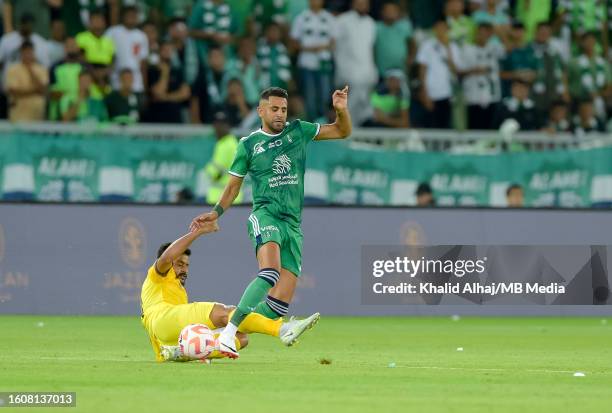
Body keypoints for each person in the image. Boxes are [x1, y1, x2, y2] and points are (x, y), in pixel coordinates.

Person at [189, 85, 352, 358]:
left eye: (284, 110)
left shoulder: (298, 131)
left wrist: (341, 110)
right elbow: (232, 188)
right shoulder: (248, 145)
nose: (280, 114)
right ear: (261, 111)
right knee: (270, 272)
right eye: (274, 109)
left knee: (277, 306)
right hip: (266, 215)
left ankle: (217, 335)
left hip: (293, 224)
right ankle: (229, 332)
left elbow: (341, 131)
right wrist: (216, 213)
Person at [141, 223, 318, 362]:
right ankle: (282, 329)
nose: (184, 269)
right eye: (180, 264)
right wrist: (197, 232)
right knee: (225, 313)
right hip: (164, 318)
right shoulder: (158, 275)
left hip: (165, 339)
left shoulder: (174, 289)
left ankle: (182, 352)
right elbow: (166, 258)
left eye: (187, 265)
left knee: (240, 337)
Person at [291, 0, 336, 121]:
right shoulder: (301, 18)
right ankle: (312, 126)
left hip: (324, 64)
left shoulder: (329, 18)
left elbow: (334, 42)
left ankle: (323, 124)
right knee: (309, 97)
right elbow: (294, 43)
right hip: (306, 63)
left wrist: (323, 48)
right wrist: (311, 49)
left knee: (325, 96)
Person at [105, 6, 148, 93]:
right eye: (129, 15)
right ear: (123, 16)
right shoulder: (113, 32)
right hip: (116, 80)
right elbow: (105, 56)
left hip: (136, 82)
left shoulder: (141, 35)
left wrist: (145, 84)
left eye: (134, 16)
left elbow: (143, 63)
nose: (131, 18)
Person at [204, 111, 243, 204]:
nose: (218, 127)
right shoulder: (232, 142)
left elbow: (214, 173)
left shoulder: (226, 145)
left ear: (228, 126)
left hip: (220, 198)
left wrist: (207, 169)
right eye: (216, 124)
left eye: (221, 124)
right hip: (231, 198)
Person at [5, 41, 48, 122]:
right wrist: (35, 91)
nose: (27, 55)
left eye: (29, 52)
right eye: (25, 52)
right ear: (21, 53)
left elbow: (43, 90)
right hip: (18, 116)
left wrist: (30, 69)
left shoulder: (41, 69)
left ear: (33, 52)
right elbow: (13, 91)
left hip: (37, 116)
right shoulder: (13, 69)